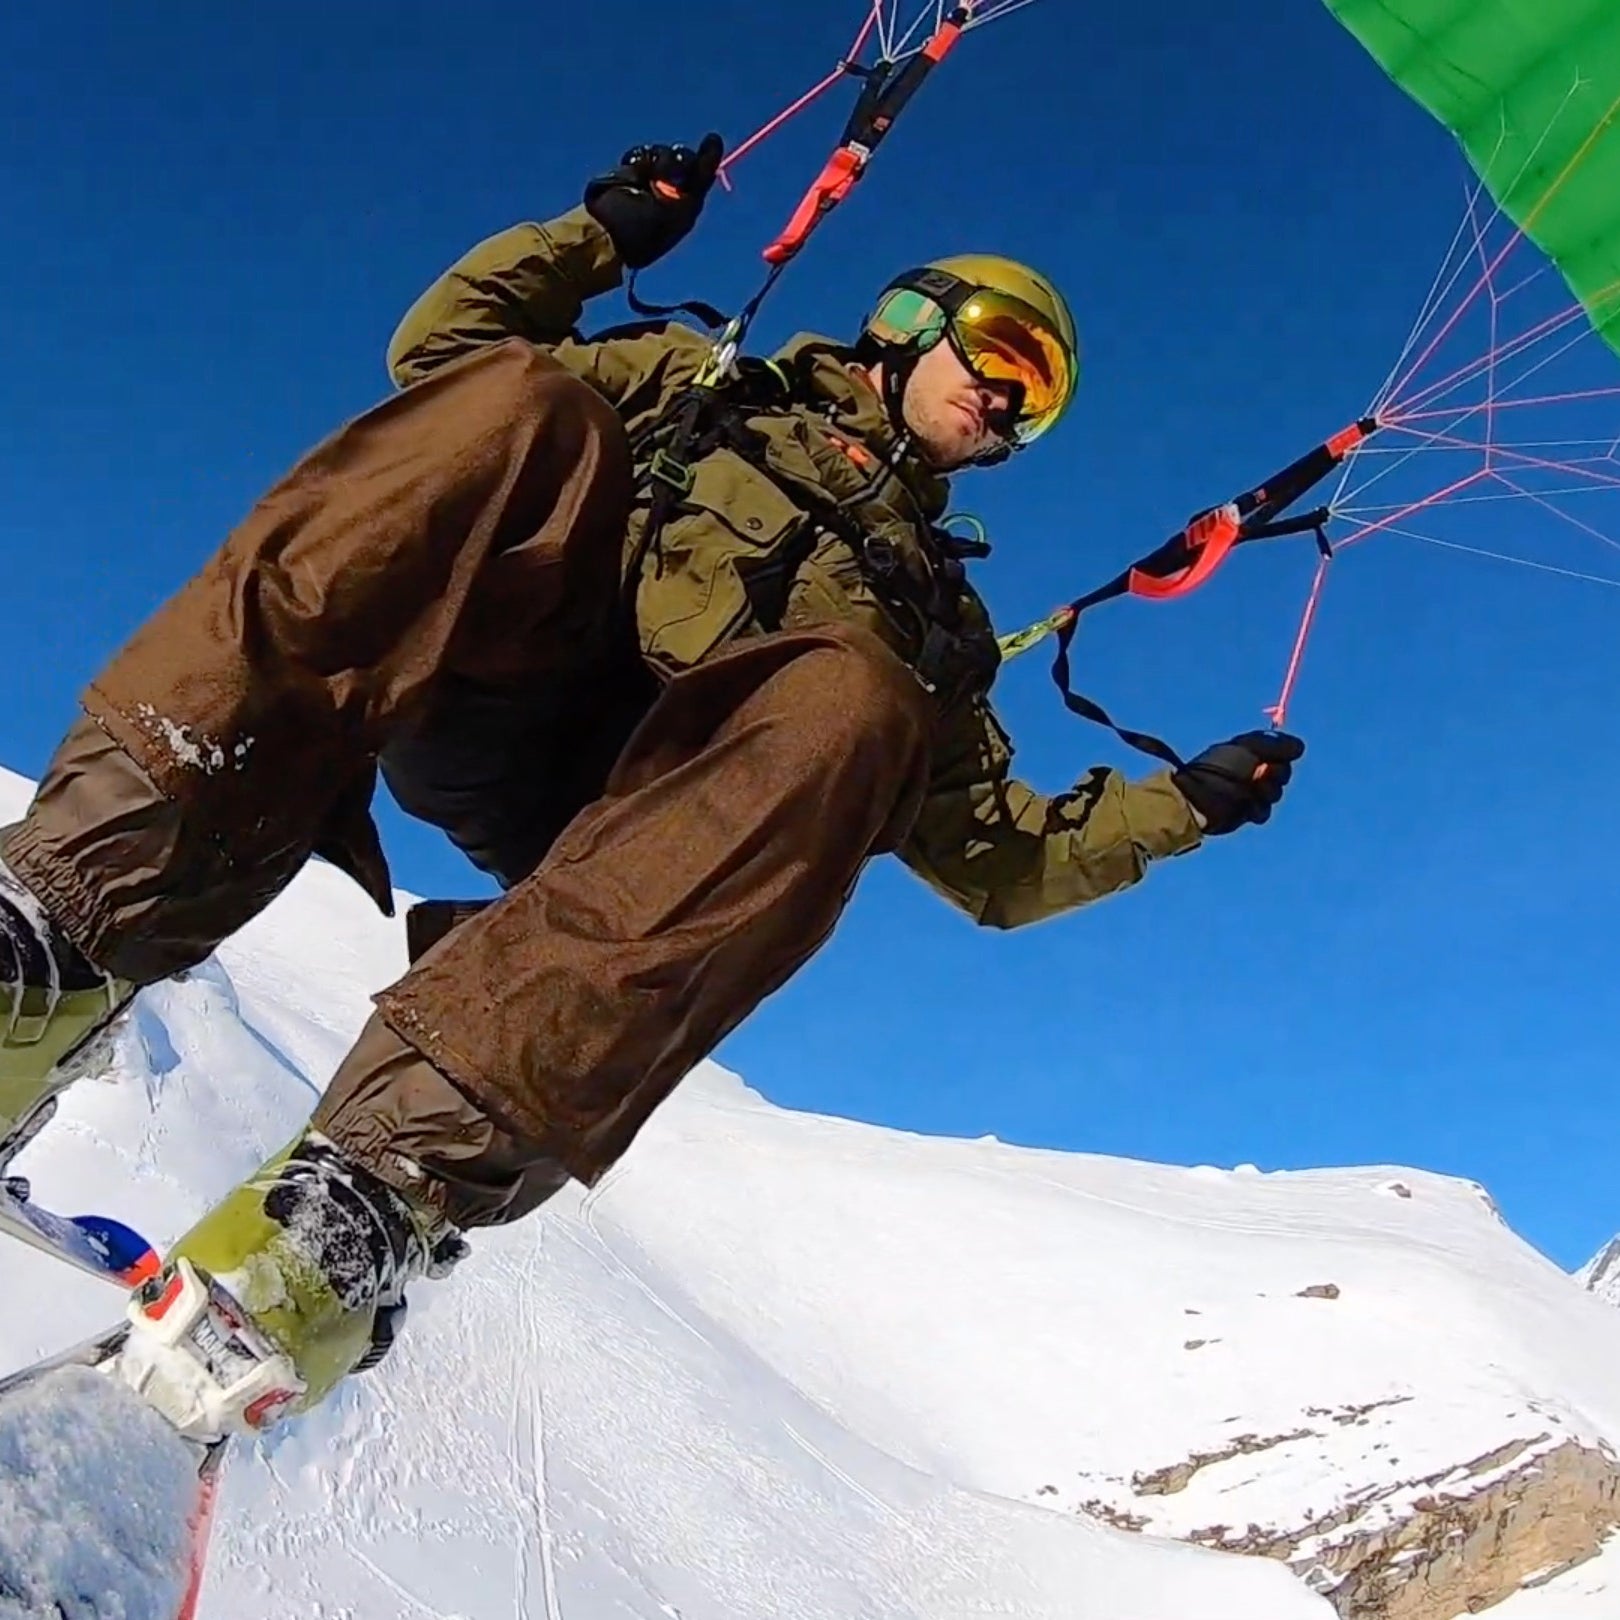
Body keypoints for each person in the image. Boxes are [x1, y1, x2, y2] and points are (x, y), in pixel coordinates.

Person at [0, 134, 1303, 1435]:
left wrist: (1180, 808)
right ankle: (57, 939)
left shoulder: (934, 633)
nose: (1013, 403)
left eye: (1044, 398)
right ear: (913, 322)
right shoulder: (698, 386)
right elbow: (444, 362)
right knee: (521, 405)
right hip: (492, 678)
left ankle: (349, 1223)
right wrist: (602, 236)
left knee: (860, 695)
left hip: (645, 829)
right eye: (1006, 358)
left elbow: (1005, 863)